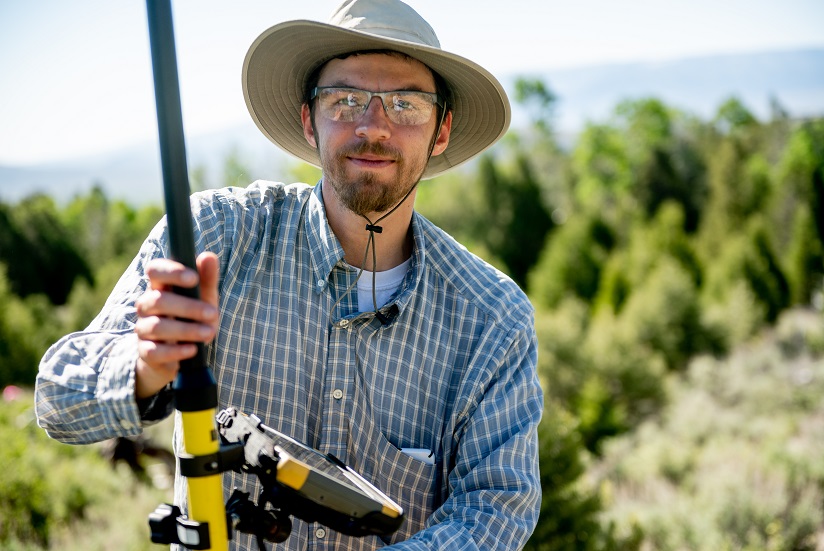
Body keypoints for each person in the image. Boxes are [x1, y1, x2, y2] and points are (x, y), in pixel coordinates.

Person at [35, 0, 543, 549]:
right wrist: (143, 365)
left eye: (406, 104)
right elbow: (57, 402)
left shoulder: (493, 318)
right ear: (309, 121)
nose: (374, 126)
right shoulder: (214, 235)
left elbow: (496, 510)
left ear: (440, 131)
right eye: (345, 100)